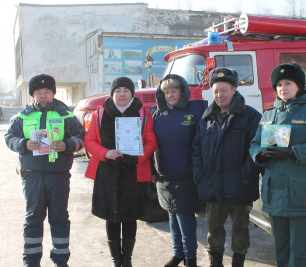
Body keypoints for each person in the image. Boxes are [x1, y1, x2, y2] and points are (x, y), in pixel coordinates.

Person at [249, 63, 306, 267]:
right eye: (279, 84)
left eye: (288, 83)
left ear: (299, 85)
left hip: (300, 194)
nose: (283, 88)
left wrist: (292, 152)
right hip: (274, 193)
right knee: (281, 248)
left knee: (300, 252)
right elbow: (254, 144)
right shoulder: (269, 114)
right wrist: (260, 155)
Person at [4, 74, 85, 267]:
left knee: (59, 217)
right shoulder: (23, 116)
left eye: (47, 91)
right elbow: (9, 137)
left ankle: (60, 260)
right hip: (32, 175)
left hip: (58, 176)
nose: (42, 95)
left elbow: (81, 136)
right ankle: (31, 261)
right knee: (33, 218)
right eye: (38, 92)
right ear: (33, 95)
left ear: (53, 93)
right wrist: (24, 144)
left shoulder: (66, 114)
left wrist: (66, 145)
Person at [84, 76, 157, 267]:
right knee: (112, 218)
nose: (122, 94)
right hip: (107, 175)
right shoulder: (100, 114)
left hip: (134, 174)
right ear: (112, 93)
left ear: (132, 93)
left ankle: (127, 259)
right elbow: (89, 141)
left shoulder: (143, 114)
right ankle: (116, 258)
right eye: (118, 91)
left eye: (126, 90)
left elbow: (151, 142)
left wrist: (138, 158)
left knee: (131, 217)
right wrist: (105, 152)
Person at [192, 68, 262, 267]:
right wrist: (200, 175)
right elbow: (197, 149)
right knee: (213, 229)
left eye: (223, 90)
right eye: (215, 91)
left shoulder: (250, 116)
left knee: (240, 229)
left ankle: (238, 262)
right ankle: (216, 262)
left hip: (240, 185)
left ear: (234, 90)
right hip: (213, 185)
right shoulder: (206, 119)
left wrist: (246, 175)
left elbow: (257, 148)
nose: (219, 95)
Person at [151, 74, 207, 267]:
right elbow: (150, 143)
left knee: (184, 217)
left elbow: (202, 141)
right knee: (171, 215)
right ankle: (178, 254)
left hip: (186, 173)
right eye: (166, 92)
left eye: (174, 91)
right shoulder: (156, 113)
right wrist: (152, 169)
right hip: (164, 174)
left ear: (182, 92)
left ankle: (190, 257)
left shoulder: (195, 110)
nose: (170, 95)